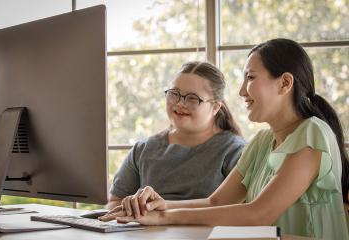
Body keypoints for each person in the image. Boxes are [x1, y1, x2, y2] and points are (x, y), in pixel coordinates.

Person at [100, 39, 349, 240]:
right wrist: (161, 207)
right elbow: (215, 201)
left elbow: (257, 214)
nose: (241, 91)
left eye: (250, 78)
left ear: (284, 83)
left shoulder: (312, 133)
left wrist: (165, 217)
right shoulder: (262, 141)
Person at [107, 61, 246, 211]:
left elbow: (238, 211)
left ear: (215, 107)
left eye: (192, 98)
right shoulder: (143, 149)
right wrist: (131, 207)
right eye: (174, 94)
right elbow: (114, 203)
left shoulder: (234, 151)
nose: (180, 103)